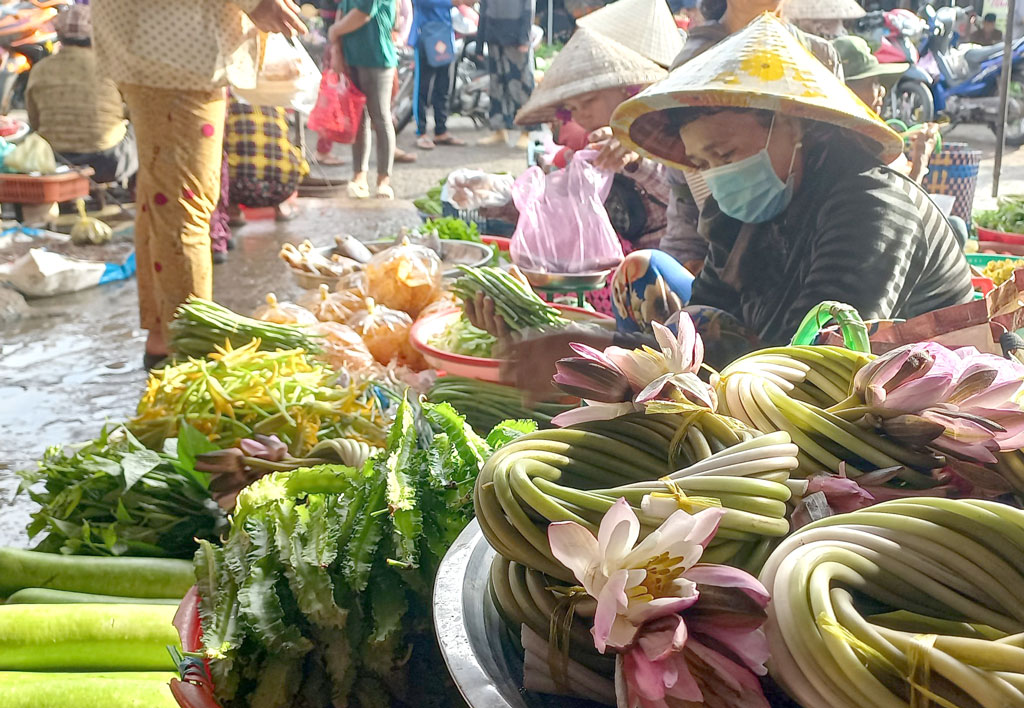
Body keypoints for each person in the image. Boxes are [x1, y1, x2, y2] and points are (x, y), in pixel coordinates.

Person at [476, 14, 973, 394]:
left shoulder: (872, 205)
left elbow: (815, 360)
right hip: (783, 370)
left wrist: (621, 361)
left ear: (793, 125)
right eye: (703, 161)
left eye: (726, 154)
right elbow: (702, 320)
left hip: (906, 402)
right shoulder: (744, 207)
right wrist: (586, 345)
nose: (717, 175)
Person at [92, 0, 306, 369]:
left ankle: (166, 335)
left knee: (162, 197)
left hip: (159, 46)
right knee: (185, 205)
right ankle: (189, 353)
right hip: (178, 51)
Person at [661, 0, 844, 275]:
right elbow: (691, 170)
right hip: (719, 231)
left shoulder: (818, 55)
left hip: (807, 228)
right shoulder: (695, 58)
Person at [513, 28, 674, 314]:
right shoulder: (588, 151)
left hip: (664, 277)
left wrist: (635, 161)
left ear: (627, 90)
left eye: (589, 102)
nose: (582, 115)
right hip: (612, 278)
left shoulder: (662, 134)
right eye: (572, 108)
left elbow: (678, 196)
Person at [25, 4, 137, 185]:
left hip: (54, 159)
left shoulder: (40, 69)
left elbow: (34, 120)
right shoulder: (111, 65)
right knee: (142, 127)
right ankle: (137, 191)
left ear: (59, 35)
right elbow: (136, 110)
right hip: (107, 163)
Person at [833, 34, 938, 186]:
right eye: (873, 83)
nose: (882, 90)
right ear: (848, 91)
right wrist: (920, 162)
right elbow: (898, 206)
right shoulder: (853, 152)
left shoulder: (840, 139)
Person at [329, 0, 399, 199]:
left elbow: (361, 14)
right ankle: (359, 176)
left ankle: (383, 180)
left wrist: (334, 31)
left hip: (378, 58)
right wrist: (337, 49)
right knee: (358, 119)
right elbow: (343, 12)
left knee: (380, 117)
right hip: (353, 57)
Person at [223, 96, 309, 224]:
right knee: (286, 155)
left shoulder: (226, 102)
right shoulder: (276, 101)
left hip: (236, 189)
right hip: (282, 189)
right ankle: (281, 208)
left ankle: (233, 211)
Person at [410, 0, 469, 149]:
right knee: (423, 88)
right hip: (425, 35)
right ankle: (421, 132)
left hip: (445, 35)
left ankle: (441, 131)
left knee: (444, 87)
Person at [477, 0, 536, 148]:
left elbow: (529, 8)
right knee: (496, 85)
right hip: (493, 35)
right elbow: (484, 8)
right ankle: (499, 129)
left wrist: (524, 37)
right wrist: (479, 42)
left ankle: (526, 132)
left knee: (521, 86)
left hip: (516, 37)